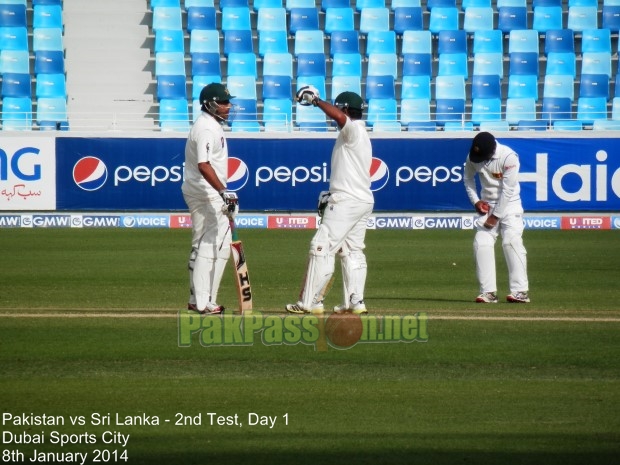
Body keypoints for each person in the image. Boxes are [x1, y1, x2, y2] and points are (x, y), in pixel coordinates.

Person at [286, 87, 374, 315]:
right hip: (361, 199)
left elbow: (339, 117)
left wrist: (315, 100)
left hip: (346, 202)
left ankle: (309, 302)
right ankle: (355, 302)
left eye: (338, 108)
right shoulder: (361, 133)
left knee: (321, 247)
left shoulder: (352, 130)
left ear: (344, 109)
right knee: (353, 251)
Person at [182, 83, 239, 315]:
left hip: (205, 191)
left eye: (228, 102)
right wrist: (222, 192)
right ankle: (203, 303)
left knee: (213, 245)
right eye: (223, 103)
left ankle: (200, 299)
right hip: (206, 192)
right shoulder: (206, 128)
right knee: (209, 245)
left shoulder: (211, 125)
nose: (228, 106)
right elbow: (203, 164)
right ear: (210, 104)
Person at [463, 131, 530, 304]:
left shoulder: (508, 157)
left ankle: (520, 291)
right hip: (488, 205)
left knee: (511, 242)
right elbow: (468, 179)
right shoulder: (473, 157)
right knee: (481, 243)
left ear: (492, 150)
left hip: (510, 205)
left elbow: (508, 190)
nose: (481, 160)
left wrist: (496, 216)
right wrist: (476, 201)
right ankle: (488, 293)